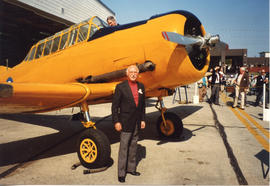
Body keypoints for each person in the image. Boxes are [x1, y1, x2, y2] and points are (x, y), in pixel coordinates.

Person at [111, 65, 146, 183]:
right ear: (127, 74)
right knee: (124, 147)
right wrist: (116, 121)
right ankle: (121, 173)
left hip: (136, 121)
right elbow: (114, 107)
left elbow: (142, 106)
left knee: (134, 146)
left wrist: (142, 119)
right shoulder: (120, 87)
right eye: (131, 72)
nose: (133, 74)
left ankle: (131, 169)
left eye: (135, 72)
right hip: (125, 122)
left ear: (138, 74)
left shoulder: (141, 86)